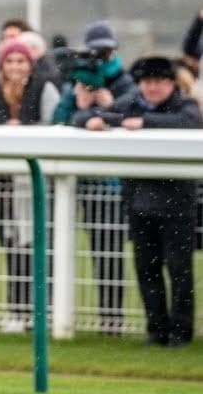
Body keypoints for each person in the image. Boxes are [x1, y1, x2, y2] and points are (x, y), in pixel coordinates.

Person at [76, 56, 200, 346]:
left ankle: (181, 331)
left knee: (179, 270)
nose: (153, 88)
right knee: (146, 269)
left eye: (159, 82)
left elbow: (190, 122)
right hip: (139, 202)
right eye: (147, 82)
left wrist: (145, 123)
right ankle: (156, 330)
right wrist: (94, 120)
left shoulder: (184, 105)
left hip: (177, 203)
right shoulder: (131, 103)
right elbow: (85, 117)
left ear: (171, 84)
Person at [0, 38, 60, 332]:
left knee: (38, 250)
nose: (15, 67)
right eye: (10, 61)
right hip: (2, 184)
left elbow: (55, 124)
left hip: (35, 183)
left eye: (21, 61)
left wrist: (24, 132)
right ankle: (16, 313)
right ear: (2, 65)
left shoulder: (45, 88)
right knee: (12, 250)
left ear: (29, 65)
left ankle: (42, 312)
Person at [55, 20, 136, 333]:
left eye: (105, 51)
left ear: (115, 49)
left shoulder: (126, 83)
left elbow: (124, 118)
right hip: (73, 179)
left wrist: (104, 106)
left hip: (108, 183)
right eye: (96, 52)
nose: (101, 57)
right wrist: (80, 105)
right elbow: (57, 121)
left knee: (108, 253)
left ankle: (111, 320)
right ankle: (56, 316)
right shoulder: (77, 80)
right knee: (59, 249)